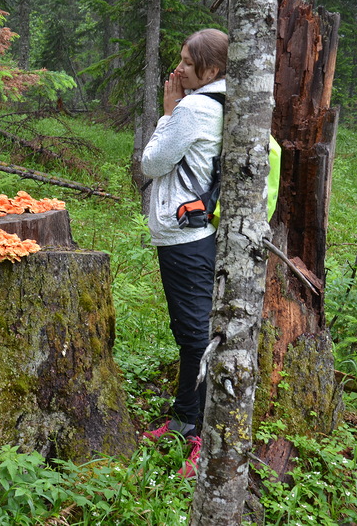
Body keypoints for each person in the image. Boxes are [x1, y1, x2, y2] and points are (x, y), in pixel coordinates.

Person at [140, 28, 228, 478]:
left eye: (187, 64)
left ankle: (199, 434)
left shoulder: (193, 108)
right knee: (192, 331)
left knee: (195, 335)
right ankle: (184, 419)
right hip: (195, 233)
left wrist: (168, 113)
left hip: (184, 238)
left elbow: (152, 163)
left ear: (210, 70)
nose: (178, 69)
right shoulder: (220, 103)